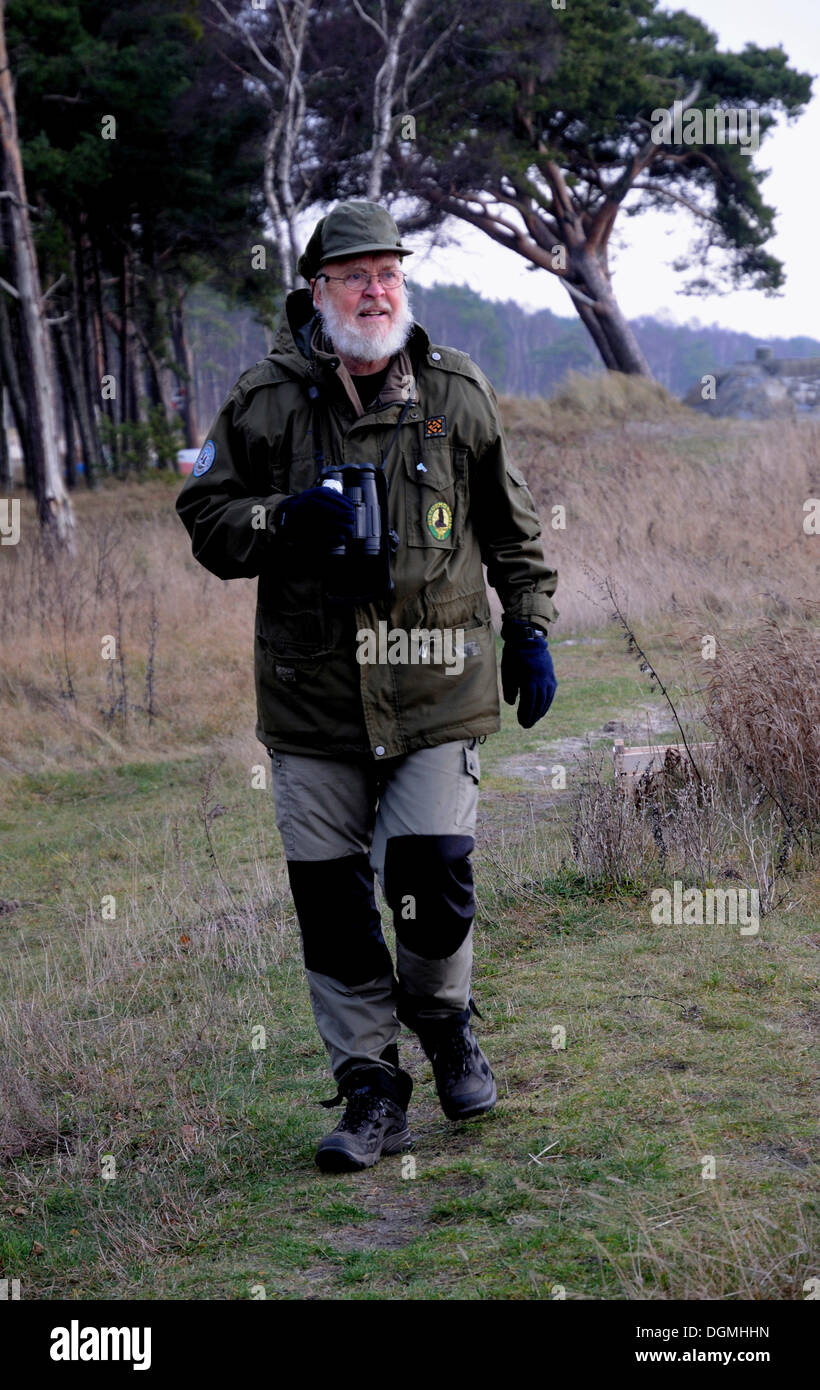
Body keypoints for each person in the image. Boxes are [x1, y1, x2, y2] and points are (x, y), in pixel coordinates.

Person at [175, 199, 558, 1173]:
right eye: (355, 275)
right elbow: (208, 518)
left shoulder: (455, 392)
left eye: (388, 270)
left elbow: (512, 531)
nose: (376, 288)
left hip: (435, 692)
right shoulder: (264, 402)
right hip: (311, 706)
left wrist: (531, 630)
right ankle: (369, 1091)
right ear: (319, 292)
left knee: (429, 880)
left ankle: (444, 1022)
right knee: (334, 908)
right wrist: (286, 520)